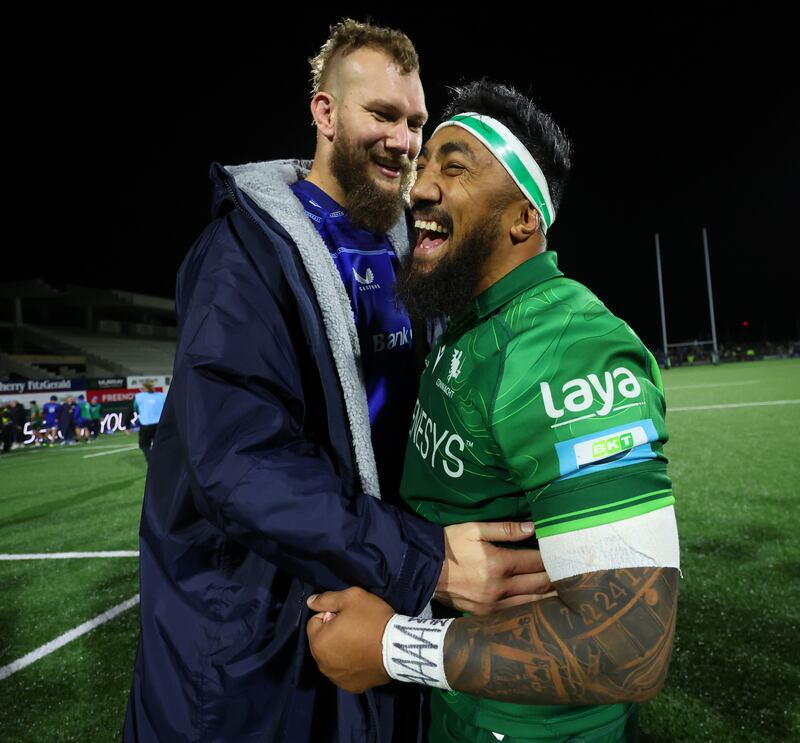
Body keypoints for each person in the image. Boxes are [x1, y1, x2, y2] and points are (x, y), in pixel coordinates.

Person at [124, 22, 549, 743]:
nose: (404, 140)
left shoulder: (409, 251)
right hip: (254, 633)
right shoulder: (241, 252)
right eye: (380, 114)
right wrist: (430, 560)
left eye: (415, 122)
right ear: (324, 114)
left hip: (368, 603)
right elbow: (241, 462)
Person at [306, 81, 681, 743]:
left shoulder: (566, 348)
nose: (419, 187)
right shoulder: (468, 321)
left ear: (522, 219)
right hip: (466, 714)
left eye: (453, 168)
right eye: (425, 166)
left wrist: (393, 646)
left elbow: (630, 642)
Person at [132, 380, 164, 463]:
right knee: (160, 445)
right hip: (160, 425)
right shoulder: (162, 395)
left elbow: (132, 409)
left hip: (146, 425)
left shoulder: (138, 396)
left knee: (144, 445)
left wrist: (127, 425)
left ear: (145, 388)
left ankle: (152, 461)